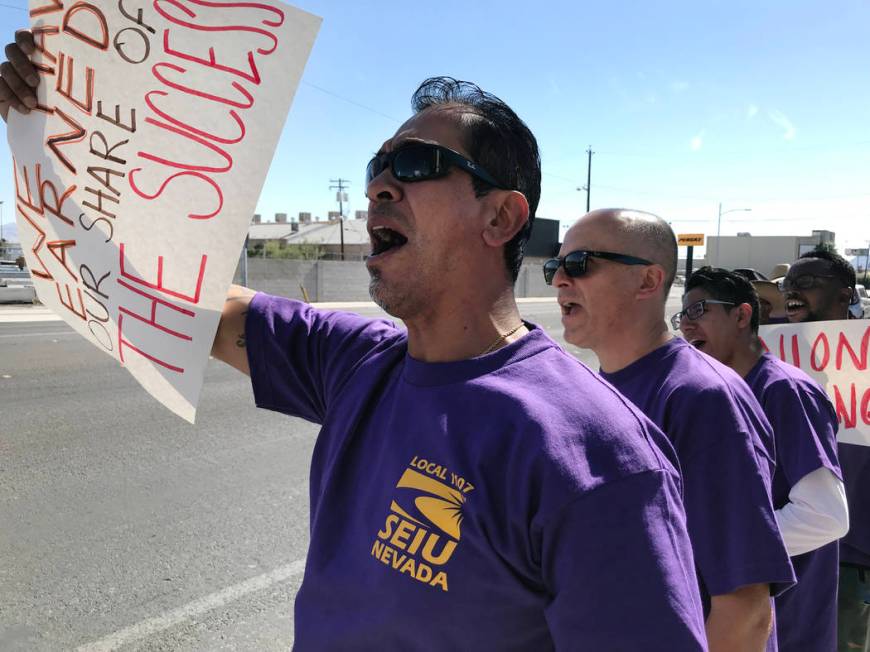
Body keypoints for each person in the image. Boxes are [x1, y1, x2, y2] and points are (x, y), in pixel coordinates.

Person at [2, 35, 710, 648]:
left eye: (415, 165)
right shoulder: (355, 363)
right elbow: (182, 301)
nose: (378, 186)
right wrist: (55, 143)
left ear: (500, 216)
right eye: (376, 168)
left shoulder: (598, 454)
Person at [548, 208, 795, 652]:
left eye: (580, 264)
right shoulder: (593, 388)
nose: (559, 280)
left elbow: (744, 610)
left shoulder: (704, 399)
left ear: (648, 281)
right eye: (555, 266)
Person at [678, 266, 849, 651]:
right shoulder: (718, 392)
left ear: (741, 315)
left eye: (699, 310)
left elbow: (826, 516)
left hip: (789, 625)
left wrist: (714, 547)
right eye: (682, 316)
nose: (686, 327)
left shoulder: (785, 390)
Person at [782, 250, 870, 652]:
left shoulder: (862, 353)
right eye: (789, 285)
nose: (793, 292)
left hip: (854, 551)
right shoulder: (768, 348)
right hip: (792, 540)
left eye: (809, 282)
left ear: (845, 294)